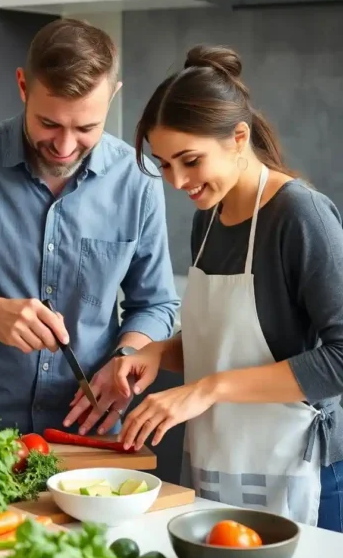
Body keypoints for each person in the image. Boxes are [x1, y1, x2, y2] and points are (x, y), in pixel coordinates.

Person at [0, 19, 179, 435]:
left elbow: (155, 304)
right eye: (49, 123)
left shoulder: (139, 180)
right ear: (23, 86)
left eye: (85, 128)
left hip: (89, 438)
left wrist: (127, 354)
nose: (64, 147)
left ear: (113, 95)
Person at [113, 44, 343, 532]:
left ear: (239, 138)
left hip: (306, 475)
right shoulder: (210, 218)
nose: (176, 181)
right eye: (164, 164)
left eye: (189, 161)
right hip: (219, 463)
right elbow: (224, 345)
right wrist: (158, 352)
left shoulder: (300, 216)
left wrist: (208, 389)